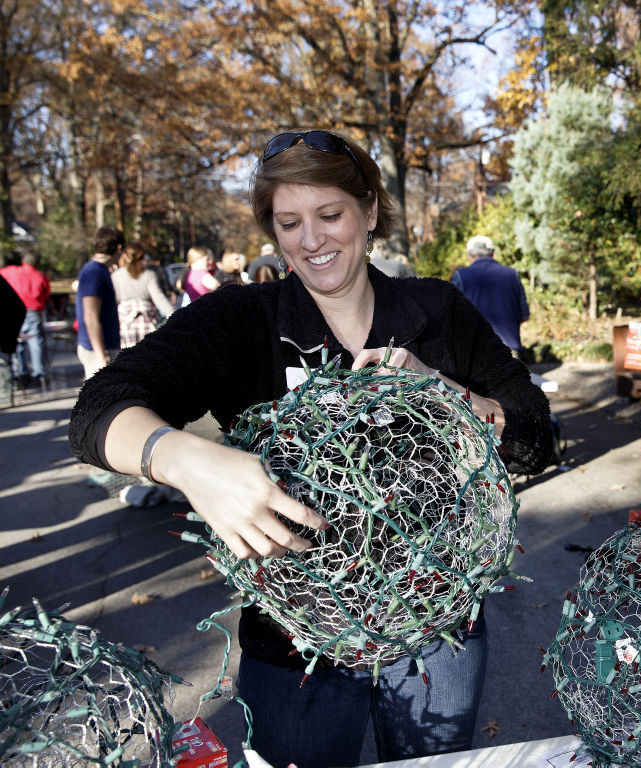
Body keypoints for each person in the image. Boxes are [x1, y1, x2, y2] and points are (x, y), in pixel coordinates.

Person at [68, 129, 553, 768]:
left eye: (330, 215)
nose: (312, 240)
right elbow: (98, 410)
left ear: (371, 211)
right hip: (295, 648)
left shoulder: (436, 309)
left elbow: (534, 438)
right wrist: (187, 461)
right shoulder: (243, 320)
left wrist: (444, 392)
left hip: (438, 633)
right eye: (289, 222)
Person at [450, 235, 529, 354]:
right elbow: (524, 316)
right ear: (493, 254)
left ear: (469, 256)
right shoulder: (512, 275)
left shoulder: (460, 277)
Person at [76, 227, 124, 379]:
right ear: (118, 248)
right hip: (97, 349)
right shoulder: (93, 272)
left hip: (105, 346)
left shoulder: (100, 270)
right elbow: (90, 316)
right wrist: (101, 355)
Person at [0, 250, 51, 387]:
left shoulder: (11, 272)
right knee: (36, 344)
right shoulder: (41, 276)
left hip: (12, 313)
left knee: (18, 343)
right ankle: (38, 374)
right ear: (38, 263)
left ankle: (21, 374)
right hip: (33, 312)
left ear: (23, 260)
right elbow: (46, 294)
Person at [113, 243, 175, 348]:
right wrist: (173, 314)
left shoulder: (116, 276)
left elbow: (113, 301)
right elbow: (159, 298)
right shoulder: (148, 274)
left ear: (125, 256)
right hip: (146, 320)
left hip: (125, 323)